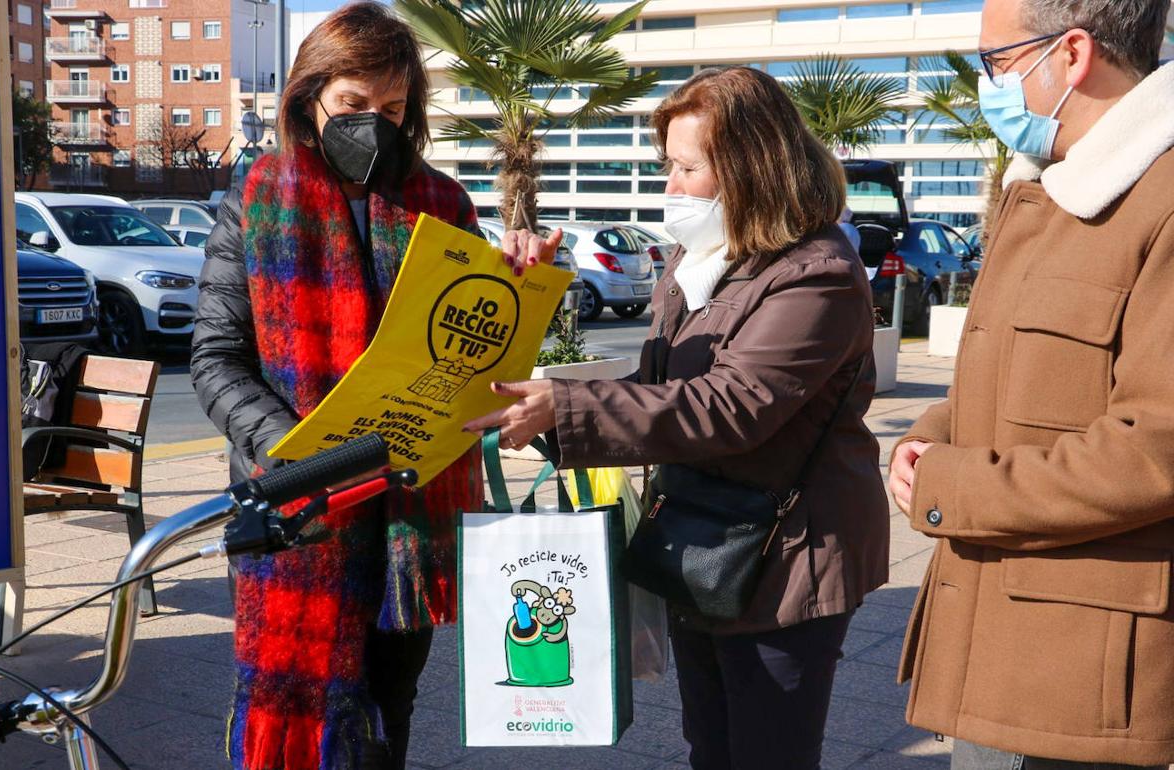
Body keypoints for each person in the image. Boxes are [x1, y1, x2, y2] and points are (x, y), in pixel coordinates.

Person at [465, 66, 890, 769]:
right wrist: (540, 406)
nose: (671, 186)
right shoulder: (702, 262)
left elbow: (730, 406)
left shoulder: (816, 272)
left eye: (687, 167)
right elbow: (657, 386)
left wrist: (569, 407)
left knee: (766, 753)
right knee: (711, 748)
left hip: (789, 557)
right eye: (670, 164)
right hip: (704, 538)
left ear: (752, 168)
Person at [190, 5, 553, 768]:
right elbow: (216, 358)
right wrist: (299, 451)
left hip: (407, 519)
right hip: (300, 506)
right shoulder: (254, 199)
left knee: (391, 707)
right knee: (298, 709)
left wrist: (519, 278)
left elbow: (474, 345)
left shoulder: (444, 203)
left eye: (392, 109)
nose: (374, 124)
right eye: (354, 105)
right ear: (309, 97)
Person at [887, 2, 1174, 768]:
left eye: (996, 63)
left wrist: (953, 487)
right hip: (999, 652)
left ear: (1071, 54)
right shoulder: (1048, 185)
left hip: (1077, 677)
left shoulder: (1162, 197)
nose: (989, 85)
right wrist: (930, 438)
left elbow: (1154, 450)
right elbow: (1025, 383)